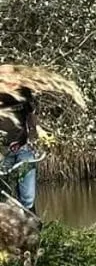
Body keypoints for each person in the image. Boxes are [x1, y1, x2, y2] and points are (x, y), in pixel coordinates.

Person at [0, 85, 39, 214]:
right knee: (4, 194)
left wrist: (33, 137)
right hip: (3, 152)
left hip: (23, 148)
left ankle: (30, 217)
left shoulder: (22, 91)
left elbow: (31, 115)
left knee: (27, 196)